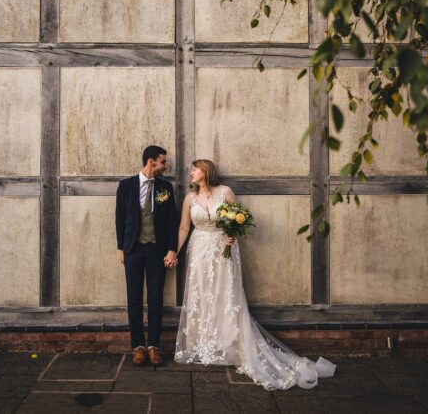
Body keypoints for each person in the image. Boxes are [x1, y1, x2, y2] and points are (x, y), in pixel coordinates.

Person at [174, 159, 336, 390]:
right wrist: (174, 252)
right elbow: (183, 228)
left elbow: (237, 221)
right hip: (199, 250)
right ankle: (202, 343)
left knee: (225, 294)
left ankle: (228, 342)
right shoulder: (190, 198)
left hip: (223, 249)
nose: (191, 173)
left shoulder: (225, 192)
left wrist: (232, 236)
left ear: (205, 172)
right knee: (201, 293)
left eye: (195, 169)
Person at [115, 145, 178, 366]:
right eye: (162, 162)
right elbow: (120, 218)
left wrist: (172, 249)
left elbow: (172, 221)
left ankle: (153, 346)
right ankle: (137, 347)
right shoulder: (126, 186)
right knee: (134, 299)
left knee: (155, 299)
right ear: (151, 162)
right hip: (133, 249)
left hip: (157, 250)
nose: (165, 166)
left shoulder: (165, 187)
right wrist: (122, 247)